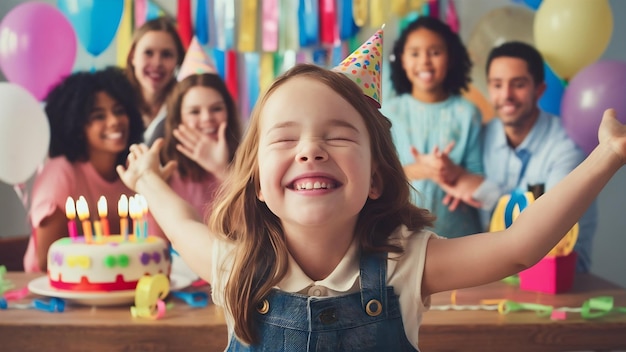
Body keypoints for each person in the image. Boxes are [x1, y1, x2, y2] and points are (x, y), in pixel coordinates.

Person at [116, 62, 626, 350]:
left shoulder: (406, 264)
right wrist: (144, 177)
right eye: (286, 138)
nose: (310, 150)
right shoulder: (235, 266)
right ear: (257, 187)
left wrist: (608, 155)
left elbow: (518, 246)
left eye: (337, 137)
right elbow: (181, 219)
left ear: (377, 179)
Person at [444, 42, 598, 273]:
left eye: (518, 84)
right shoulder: (482, 136)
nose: (506, 95)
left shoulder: (568, 146)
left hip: (563, 282)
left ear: (539, 90)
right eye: (497, 85)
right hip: (497, 279)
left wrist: (483, 189)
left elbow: (549, 228)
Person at [23, 67, 144, 272]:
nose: (114, 121)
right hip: (50, 294)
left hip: (116, 287)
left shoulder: (133, 170)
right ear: (77, 126)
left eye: (119, 111)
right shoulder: (60, 173)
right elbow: (47, 261)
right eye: (98, 116)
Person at [382, 16, 483, 238]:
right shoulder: (387, 113)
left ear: (450, 58)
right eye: (415, 53)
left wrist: (454, 173)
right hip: (401, 237)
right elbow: (374, 174)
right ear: (402, 60)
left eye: (435, 52)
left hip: (459, 236)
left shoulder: (468, 114)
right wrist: (418, 170)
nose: (425, 62)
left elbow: (480, 181)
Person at [148, 72, 241, 238]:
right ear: (178, 118)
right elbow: (155, 240)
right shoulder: (165, 171)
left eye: (216, 108)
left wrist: (221, 169)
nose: (207, 118)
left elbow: (257, 229)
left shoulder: (250, 162)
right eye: (194, 111)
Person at [124, 17, 185, 145]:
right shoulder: (114, 102)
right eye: (148, 53)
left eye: (166, 54)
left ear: (178, 60)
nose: (157, 63)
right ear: (132, 56)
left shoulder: (185, 106)